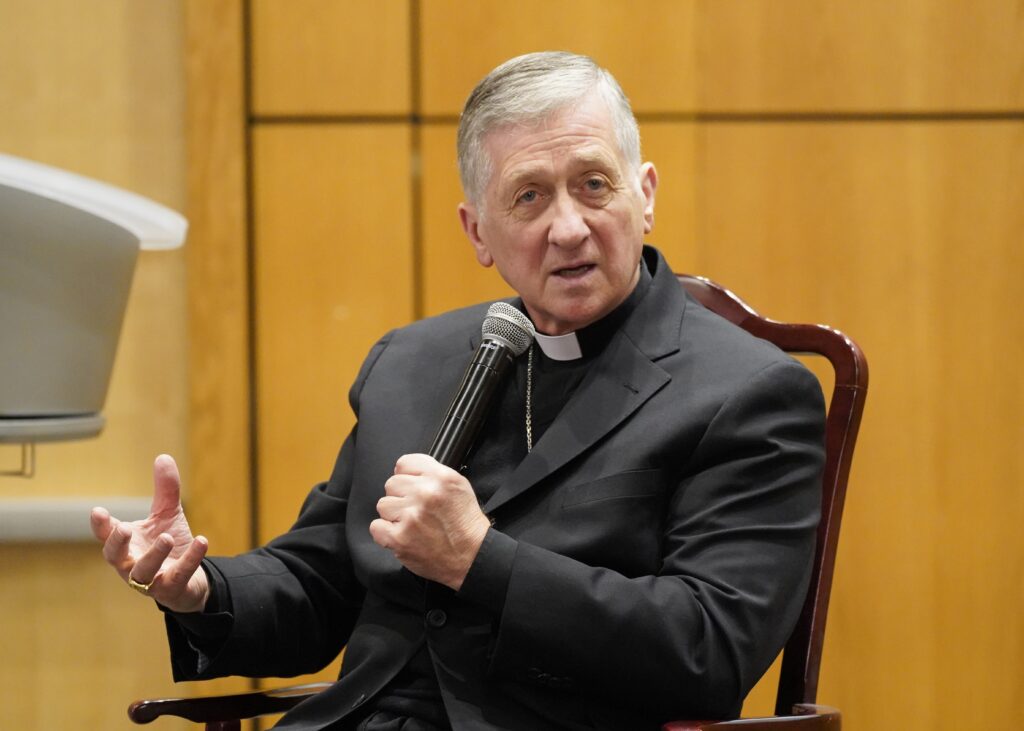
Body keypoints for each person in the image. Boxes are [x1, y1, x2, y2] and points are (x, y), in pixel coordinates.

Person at [91, 51, 825, 730]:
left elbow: (708, 650)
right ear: (479, 233)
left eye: (593, 185)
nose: (568, 226)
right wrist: (200, 588)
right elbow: (319, 584)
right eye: (529, 197)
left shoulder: (750, 392)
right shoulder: (413, 361)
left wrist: (480, 558)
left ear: (646, 194)